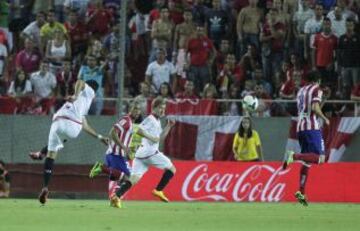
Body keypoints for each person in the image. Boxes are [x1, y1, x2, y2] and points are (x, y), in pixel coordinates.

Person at [30, 79, 108, 205]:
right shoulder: (87, 100)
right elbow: (85, 125)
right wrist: (99, 137)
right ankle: (40, 153)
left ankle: (45, 186)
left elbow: (80, 81)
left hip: (58, 123)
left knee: (51, 155)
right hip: (74, 128)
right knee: (61, 140)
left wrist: (75, 95)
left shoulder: (85, 93)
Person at [111, 97, 176, 207]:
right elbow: (139, 129)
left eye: (164, 108)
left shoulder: (157, 121)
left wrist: (169, 126)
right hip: (150, 153)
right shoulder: (150, 119)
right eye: (160, 108)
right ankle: (158, 190)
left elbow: (160, 138)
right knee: (172, 169)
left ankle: (116, 196)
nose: (162, 110)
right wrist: (151, 137)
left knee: (134, 178)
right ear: (154, 108)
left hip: (141, 155)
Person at [282, 71, 330, 206]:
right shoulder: (317, 89)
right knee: (321, 158)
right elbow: (315, 108)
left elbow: (310, 107)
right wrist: (325, 118)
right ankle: (294, 156)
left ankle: (301, 193)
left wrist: (324, 100)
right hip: (311, 127)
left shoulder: (301, 91)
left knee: (307, 161)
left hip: (300, 127)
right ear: (318, 80)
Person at [89, 102, 141, 208]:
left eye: (138, 110)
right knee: (129, 178)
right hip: (116, 154)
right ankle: (102, 168)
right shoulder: (126, 120)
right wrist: (123, 147)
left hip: (117, 154)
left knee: (117, 178)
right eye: (134, 109)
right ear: (129, 110)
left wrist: (128, 149)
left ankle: (114, 199)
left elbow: (122, 138)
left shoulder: (130, 122)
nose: (137, 111)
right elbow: (112, 132)